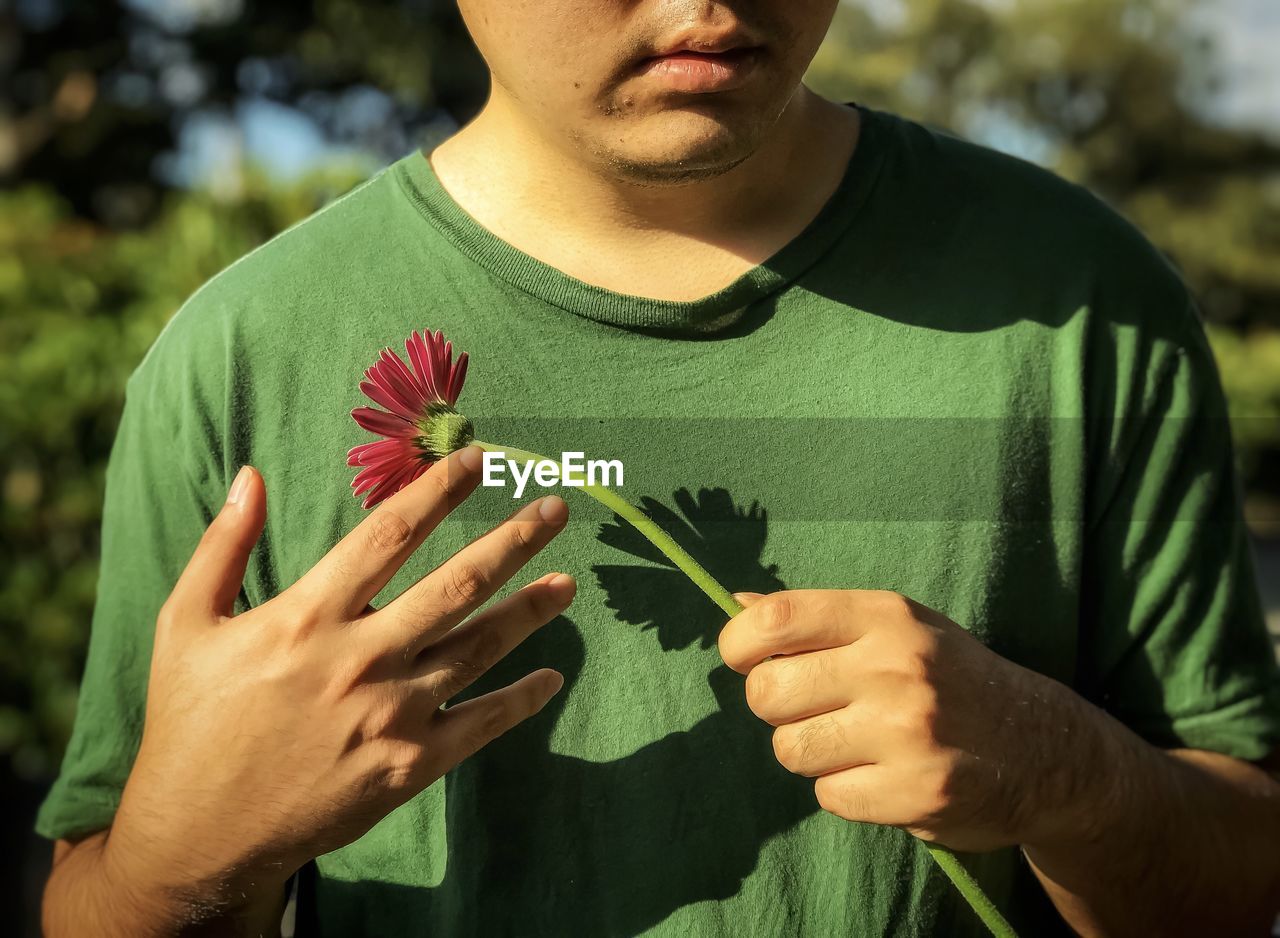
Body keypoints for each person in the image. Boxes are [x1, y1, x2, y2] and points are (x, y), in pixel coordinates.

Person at [38, 2, 1280, 936]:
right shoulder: (245, 355)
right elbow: (94, 900)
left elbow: (1236, 874)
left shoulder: (1078, 302)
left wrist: (1060, 770)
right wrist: (181, 856)